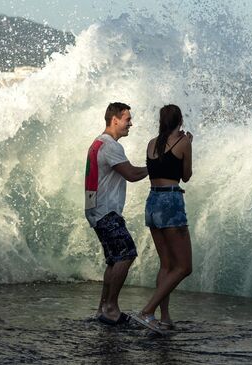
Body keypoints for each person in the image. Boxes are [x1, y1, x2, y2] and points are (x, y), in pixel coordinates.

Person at [85, 102, 148, 325]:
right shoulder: (111, 145)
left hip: (96, 210)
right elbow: (130, 174)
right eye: (127, 119)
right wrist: (156, 167)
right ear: (115, 120)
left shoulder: (97, 142)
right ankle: (111, 307)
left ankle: (103, 307)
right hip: (106, 211)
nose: (130, 124)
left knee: (114, 260)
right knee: (127, 253)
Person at [132, 104, 193, 334]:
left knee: (167, 264)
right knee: (184, 267)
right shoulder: (183, 142)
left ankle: (164, 317)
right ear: (180, 120)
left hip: (152, 203)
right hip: (170, 202)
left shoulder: (151, 143)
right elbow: (185, 177)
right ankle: (148, 311)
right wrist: (189, 146)